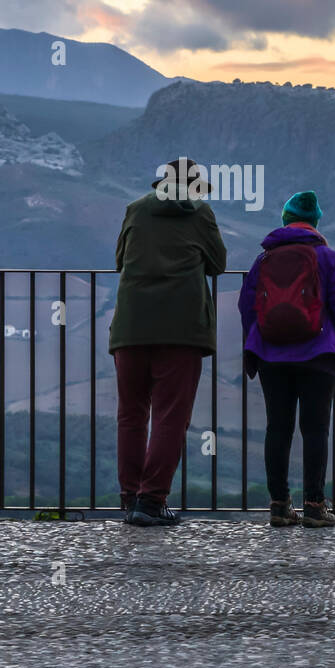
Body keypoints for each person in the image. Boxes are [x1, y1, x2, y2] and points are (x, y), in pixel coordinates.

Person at [109, 156, 227, 526]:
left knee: (131, 415)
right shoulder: (201, 214)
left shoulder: (135, 210)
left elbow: (119, 261)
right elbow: (218, 263)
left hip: (131, 327)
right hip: (182, 329)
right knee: (170, 418)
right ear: (195, 187)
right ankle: (151, 501)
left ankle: (129, 498)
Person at [238, 190, 335, 528]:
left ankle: (278, 505)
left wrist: (256, 343)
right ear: (316, 223)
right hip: (319, 353)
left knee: (278, 426)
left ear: (285, 220)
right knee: (315, 428)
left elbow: (247, 306)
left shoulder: (263, 260)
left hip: (271, 354)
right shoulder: (328, 257)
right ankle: (315, 506)